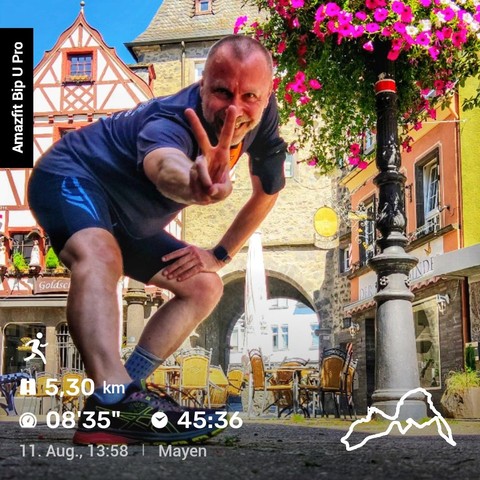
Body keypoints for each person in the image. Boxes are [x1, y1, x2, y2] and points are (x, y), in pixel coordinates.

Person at [28, 34, 286, 445]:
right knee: (100, 254)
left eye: (249, 96)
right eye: (221, 92)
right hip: (70, 175)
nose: (235, 108)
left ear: (268, 93)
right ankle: (115, 399)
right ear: (202, 86)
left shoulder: (263, 118)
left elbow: (268, 193)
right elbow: (163, 164)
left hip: (129, 218)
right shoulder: (171, 119)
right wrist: (193, 183)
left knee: (204, 286)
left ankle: (120, 401)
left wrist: (218, 254)